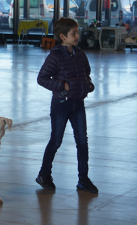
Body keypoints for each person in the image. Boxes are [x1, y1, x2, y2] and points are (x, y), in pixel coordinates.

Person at [35, 17, 98, 194]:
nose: (77, 36)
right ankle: (44, 174)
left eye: (77, 32)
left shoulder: (80, 54)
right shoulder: (54, 56)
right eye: (73, 33)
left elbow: (87, 73)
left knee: (82, 142)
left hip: (78, 104)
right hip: (61, 105)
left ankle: (83, 180)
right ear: (63, 36)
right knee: (56, 140)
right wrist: (63, 86)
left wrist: (88, 85)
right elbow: (42, 79)